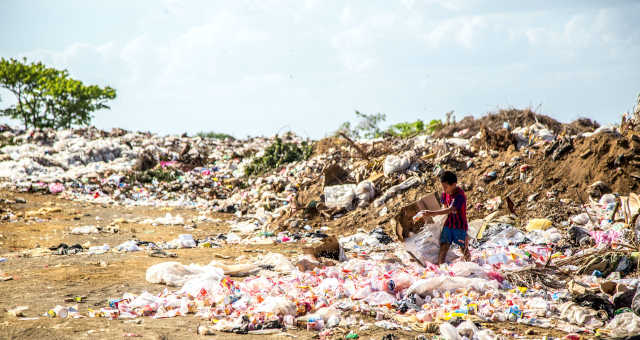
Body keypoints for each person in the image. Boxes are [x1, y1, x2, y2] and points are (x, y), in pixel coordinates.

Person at [417, 170, 471, 264]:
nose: (444, 189)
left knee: (463, 248)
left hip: (459, 226)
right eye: (443, 186)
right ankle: (442, 269)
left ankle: (470, 264)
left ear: (454, 184)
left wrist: (431, 213)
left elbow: (450, 209)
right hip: (448, 224)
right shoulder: (444, 194)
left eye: (446, 187)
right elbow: (444, 207)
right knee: (443, 247)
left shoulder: (459, 195)